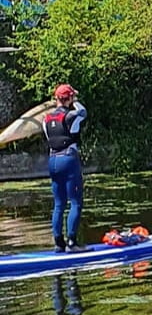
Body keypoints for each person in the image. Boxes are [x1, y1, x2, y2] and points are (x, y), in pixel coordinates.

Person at [42, 84, 87, 253]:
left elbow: (49, 138)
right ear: (69, 98)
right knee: (75, 202)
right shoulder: (71, 116)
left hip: (53, 160)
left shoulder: (45, 120)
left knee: (59, 204)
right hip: (68, 159)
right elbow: (83, 112)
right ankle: (72, 243)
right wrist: (75, 100)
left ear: (56, 99)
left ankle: (58, 243)